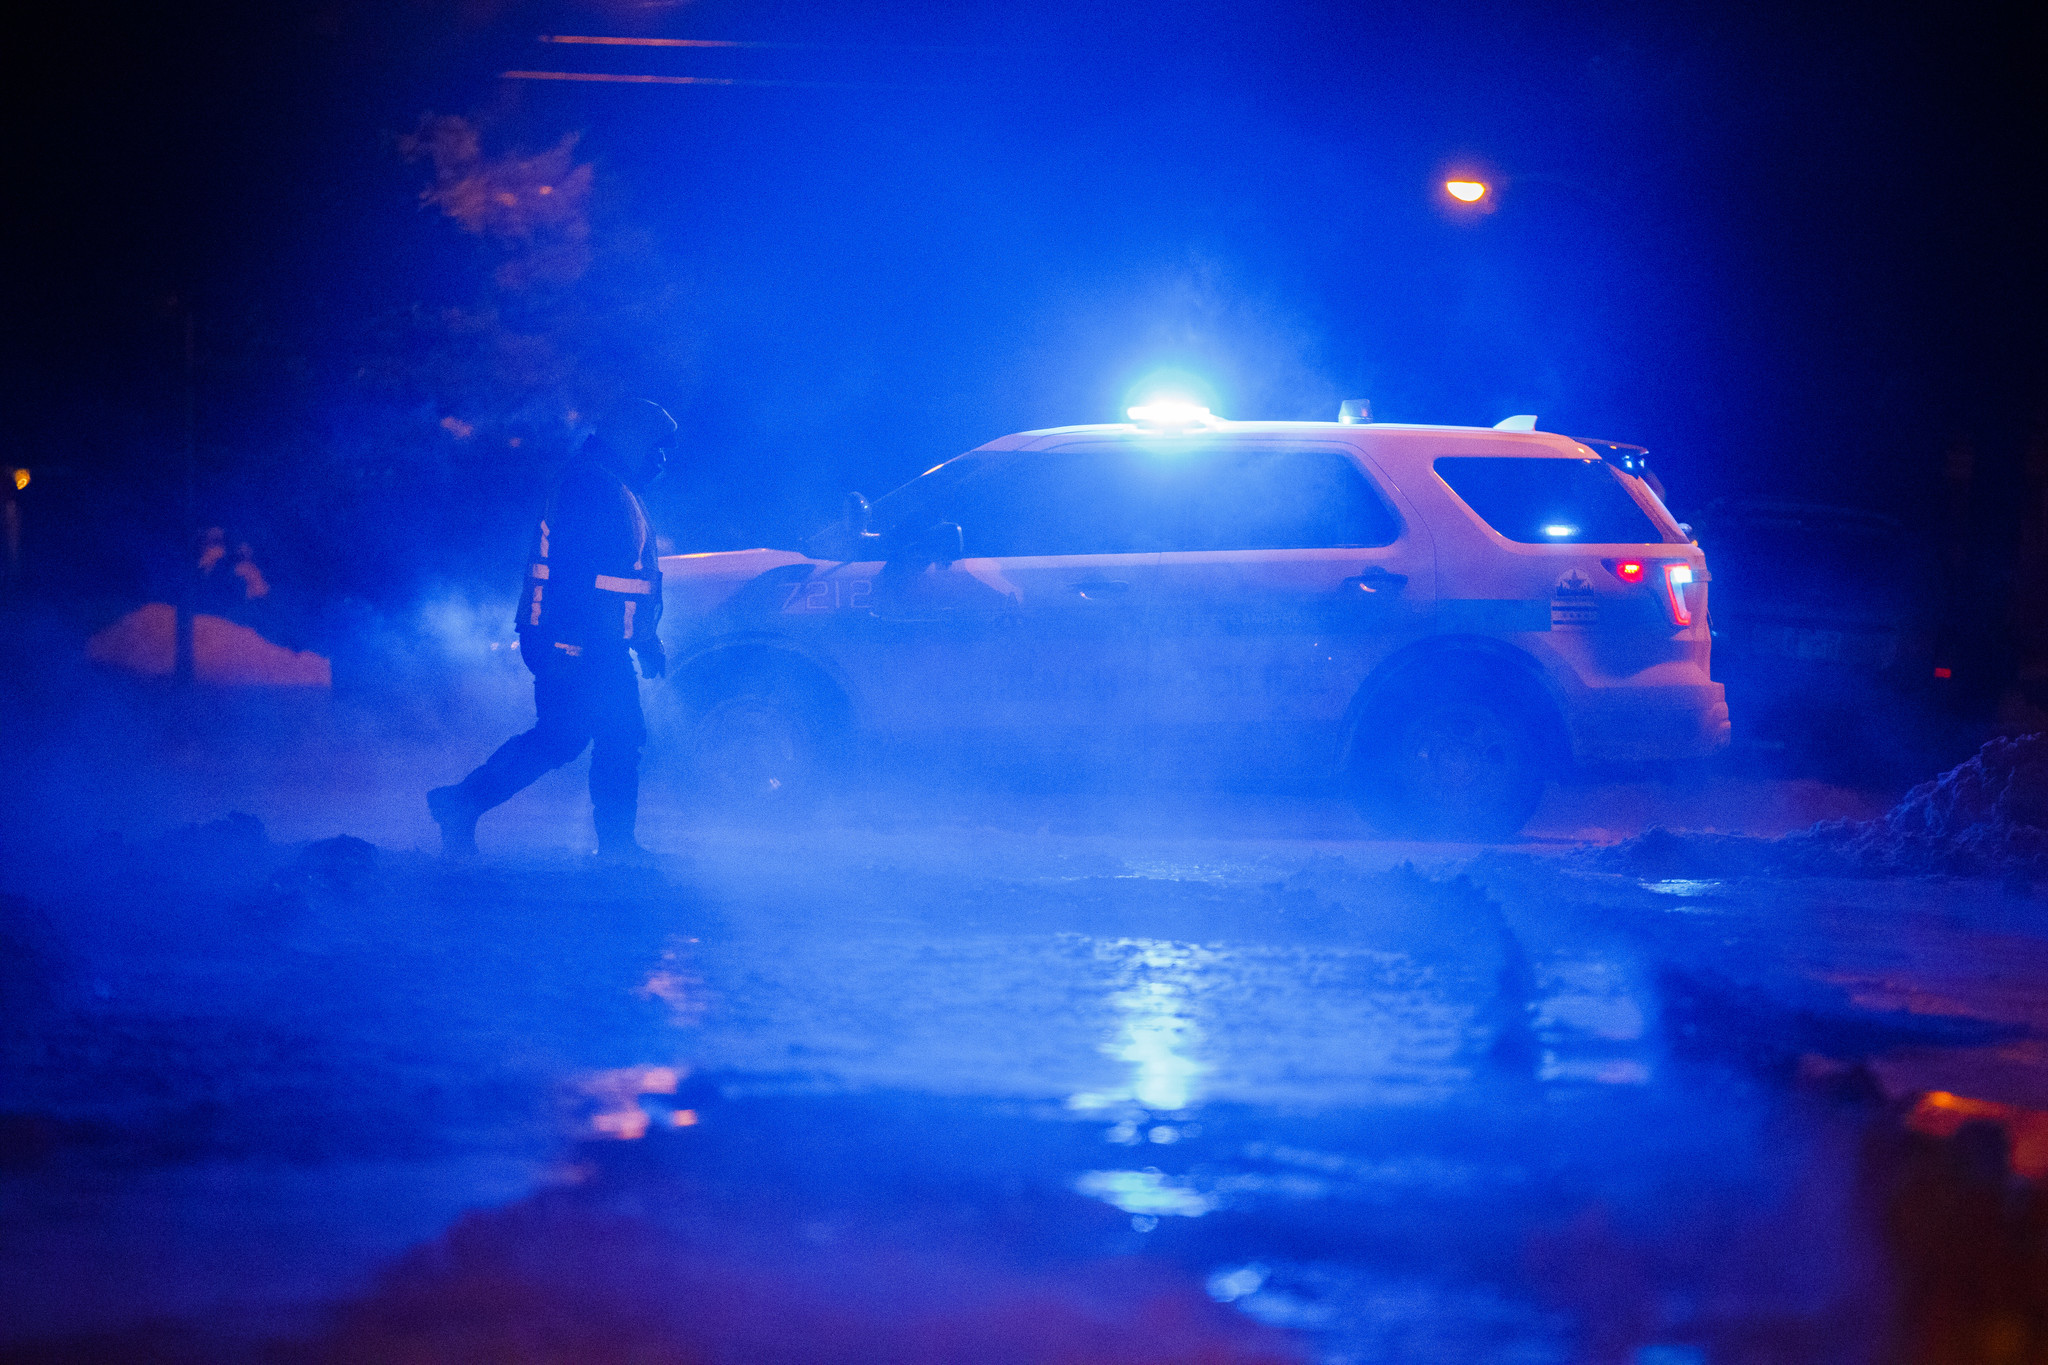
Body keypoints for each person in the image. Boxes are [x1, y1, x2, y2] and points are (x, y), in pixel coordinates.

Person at [429, 399, 676, 858]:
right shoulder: (591, 486)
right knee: (579, 737)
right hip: (578, 644)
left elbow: (623, 582)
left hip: (591, 644)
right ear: (631, 442)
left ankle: (463, 804)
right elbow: (574, 579)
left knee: (591, 737)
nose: (662, 460)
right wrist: (567, 647)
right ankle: (462, 804)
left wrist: (643, 639)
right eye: (656, 448)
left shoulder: (607, 484)